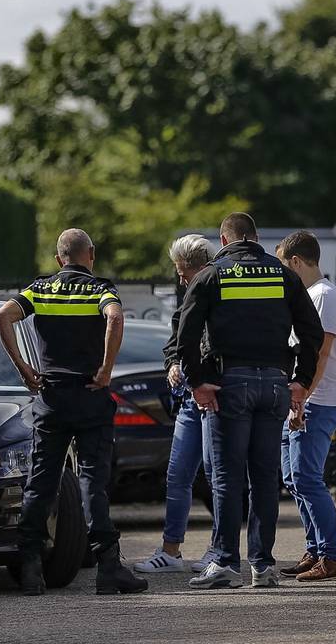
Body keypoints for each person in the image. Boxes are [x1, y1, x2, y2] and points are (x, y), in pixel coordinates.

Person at [0, 228, 148, 596]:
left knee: (41, 481)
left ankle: (30, 566)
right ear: (90, 254)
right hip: (90, 395)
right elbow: (115, 317)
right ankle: (108, 568)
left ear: (58, 258)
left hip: (51, 398)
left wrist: (23, 367)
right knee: (93, 481)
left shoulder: (39, 290)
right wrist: (107, 369)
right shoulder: (100, 290)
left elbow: (2, 316)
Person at [176, 213, 324, 589]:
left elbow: (185, 337)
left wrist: (198, 383)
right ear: (256, 238)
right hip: (275, 385)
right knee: (264, 480)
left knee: (226, 479)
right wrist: (302, 382)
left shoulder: (211, 275)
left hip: (230, 385)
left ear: (224, 241)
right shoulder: (284, 276)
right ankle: (262, 565)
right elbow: (313, 333)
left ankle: (226, 562)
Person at [133, 234, 220, 574]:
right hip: (188, 398)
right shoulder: (187, 296)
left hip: (213, 395)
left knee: (217, 477)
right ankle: (171, 550)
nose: (180, 278)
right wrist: (173, 363)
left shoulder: (218, 290)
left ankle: (218, 549)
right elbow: (175, 340)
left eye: (183, 271)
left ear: (200, 266)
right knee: (177, 474)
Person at [276, 230, 336, 582]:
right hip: (306, 400)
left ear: (296, 261)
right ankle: (317, 548)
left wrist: (301, 397)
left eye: (283, 266)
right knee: (295, 478)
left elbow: (320, 353)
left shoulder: (323, 296)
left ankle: (332, 556)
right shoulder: (312, 295)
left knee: (307, 478)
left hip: (317, 401)